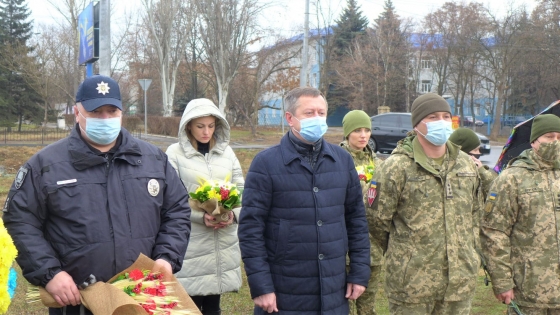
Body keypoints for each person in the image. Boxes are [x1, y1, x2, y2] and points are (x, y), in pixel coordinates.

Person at [3, 75, 191, 315]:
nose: (105, 119)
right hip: (76, 301)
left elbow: (177, 211)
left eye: (112, 111)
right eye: (96, 111)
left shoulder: (154, 160)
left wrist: (166, 257)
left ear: (122, 112)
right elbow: (21, 220)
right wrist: (50, 274)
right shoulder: (45, 166)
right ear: (77, 112)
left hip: (141, 296)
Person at [238, 87, 371, 315]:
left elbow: (356, 221)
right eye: (309, 113)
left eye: (321, 113)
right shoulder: (266, 164)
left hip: (333, 291)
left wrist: (359, 273)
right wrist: (261, 286)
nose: (317, 119)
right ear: (290, 118)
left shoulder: (342, 161)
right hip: (284, 291)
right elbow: (251, 230)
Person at [370, 93, 481, 315]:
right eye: (432, 117)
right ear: (417, 124)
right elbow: (375, 225)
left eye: (445, 116)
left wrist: (472, 256)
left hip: (459, 285)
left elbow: (475, 217)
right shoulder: (395, 167)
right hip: (412, 288)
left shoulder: (465, 165)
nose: (441, 122)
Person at [166, 98, 244, 315]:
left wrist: (232, 214)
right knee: (189, 304)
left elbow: (240, 187)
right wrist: (201, 217)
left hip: (222, 237)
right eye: (200, 126)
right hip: (191, 239)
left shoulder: (226, 152)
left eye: (211, 126)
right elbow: (171, 197)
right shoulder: (174, 154)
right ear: (188, 125)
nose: (206, 132)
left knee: (213, 305)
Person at [481, 114, 560, 315]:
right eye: (550, 137)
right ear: (534, 141)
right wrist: (502, 280)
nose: (556, 142)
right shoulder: (512, 178)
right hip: (529, 292)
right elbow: (494, 232)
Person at [340, 110, 383, 315]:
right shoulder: (337, 161)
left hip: (373, 248)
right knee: (342, 305)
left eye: (367, 130)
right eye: (357, 130)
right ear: (347, 133)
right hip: (344, 247)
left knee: (368, 308)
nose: (363, 135)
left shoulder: (379, 163)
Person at [449, 127, 497, 198]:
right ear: (463, 151)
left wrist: (482, 171)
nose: (479, 153)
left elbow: (495, 192)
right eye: (475, 150)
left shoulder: (478, 169)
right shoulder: (452, 173)